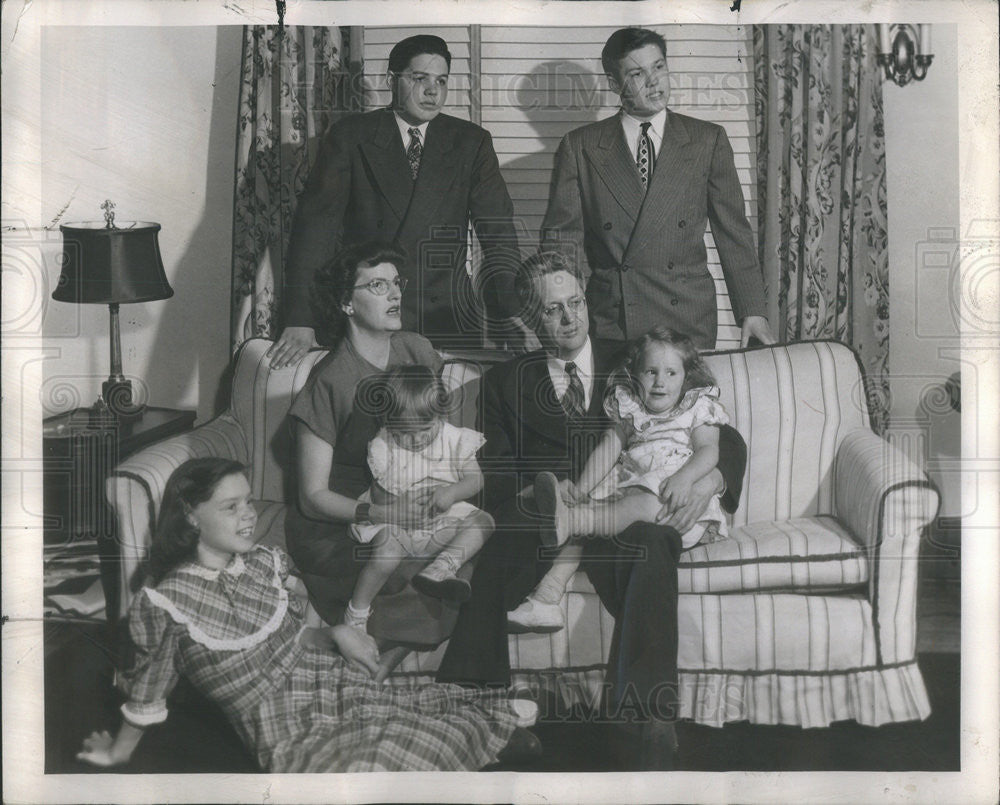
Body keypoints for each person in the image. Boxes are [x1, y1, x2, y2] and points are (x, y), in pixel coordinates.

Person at [434, 251, 748, 770]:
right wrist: (545, 491)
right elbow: (497, 470)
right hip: (552, 514)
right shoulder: (505, 383)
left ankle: (645, 714)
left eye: (575, 302)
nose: (570, 317)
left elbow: (721, 434)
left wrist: (710, 478)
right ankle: (478, 712)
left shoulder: (636, 360)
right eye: (553, 309)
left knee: (654, 543)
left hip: (631, 509)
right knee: (497, 554)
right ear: (530, 319)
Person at [76, 458, 540, 772]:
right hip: (282, 724)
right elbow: (148, 689)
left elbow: (290, 640)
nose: (248, 516)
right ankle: (487, 747)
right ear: (191, 517)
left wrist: (336, 633)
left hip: (319, 681)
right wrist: (117, 753)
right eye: (230, 507)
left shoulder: (260, 563)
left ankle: (492, 737)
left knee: (417, 714)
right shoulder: (166, 603)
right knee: (370, 763)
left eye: (249, 503)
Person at [269, 33, 524, 367]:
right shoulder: (350, 137)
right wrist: (301, 317)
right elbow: (315, 231)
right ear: (392, 80)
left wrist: (511, 312)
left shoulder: (471, 142)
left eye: (442, 81)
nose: (433, 91)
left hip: (446, 316)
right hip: (369, 313)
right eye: (419, 78)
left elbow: (498, 234)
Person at [285, 241, 460, 681]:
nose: (395, 294)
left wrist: (438, 494)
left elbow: (442, 441)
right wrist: (383, 512)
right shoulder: (330, 379)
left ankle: (373, 672)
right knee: (405, 567)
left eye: (396, 283)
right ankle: (367, 667)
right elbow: (311, 497)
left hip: (409, 500)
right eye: (378, 285)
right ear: (346, 302)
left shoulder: (418, 351)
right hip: (343, 521)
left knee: (461, 556)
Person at [541, 26, 775, 351]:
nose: (654, 81)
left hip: (687, 320)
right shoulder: (580, 147)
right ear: (614, 84)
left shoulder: (707, 140)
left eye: (659, 67)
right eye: (637, 73)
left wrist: (752, 311)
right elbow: (561, 243)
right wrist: (563, 315)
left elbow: (733, 232)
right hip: (613, 321)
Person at [508, 326, 730, 632]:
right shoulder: (629, 406)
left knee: (624, 507)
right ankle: (546, 598)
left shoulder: (697, 406)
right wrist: (582, 490)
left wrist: (684, 478)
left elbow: (709, 452)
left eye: (671, 373)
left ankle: (572, 521)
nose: (659, 382)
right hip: (631, 488)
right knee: (591, 520)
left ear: (687, 376)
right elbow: (608, 449)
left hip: (675, 500)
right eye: (650, 372)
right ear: (634, 373)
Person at [345, 364, 492, 632]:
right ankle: (356, 612)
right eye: (404, 433)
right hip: (397, 522)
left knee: (484, 522)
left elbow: (476, 479)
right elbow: (379, 496)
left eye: (424, 428)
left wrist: (450, 493)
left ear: (440, 415)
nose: (415, 440)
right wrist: (399, 502)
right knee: (386, 552)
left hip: (441, 519)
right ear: (389, 424)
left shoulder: (453, 439)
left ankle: (442, 567)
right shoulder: (384, 444)